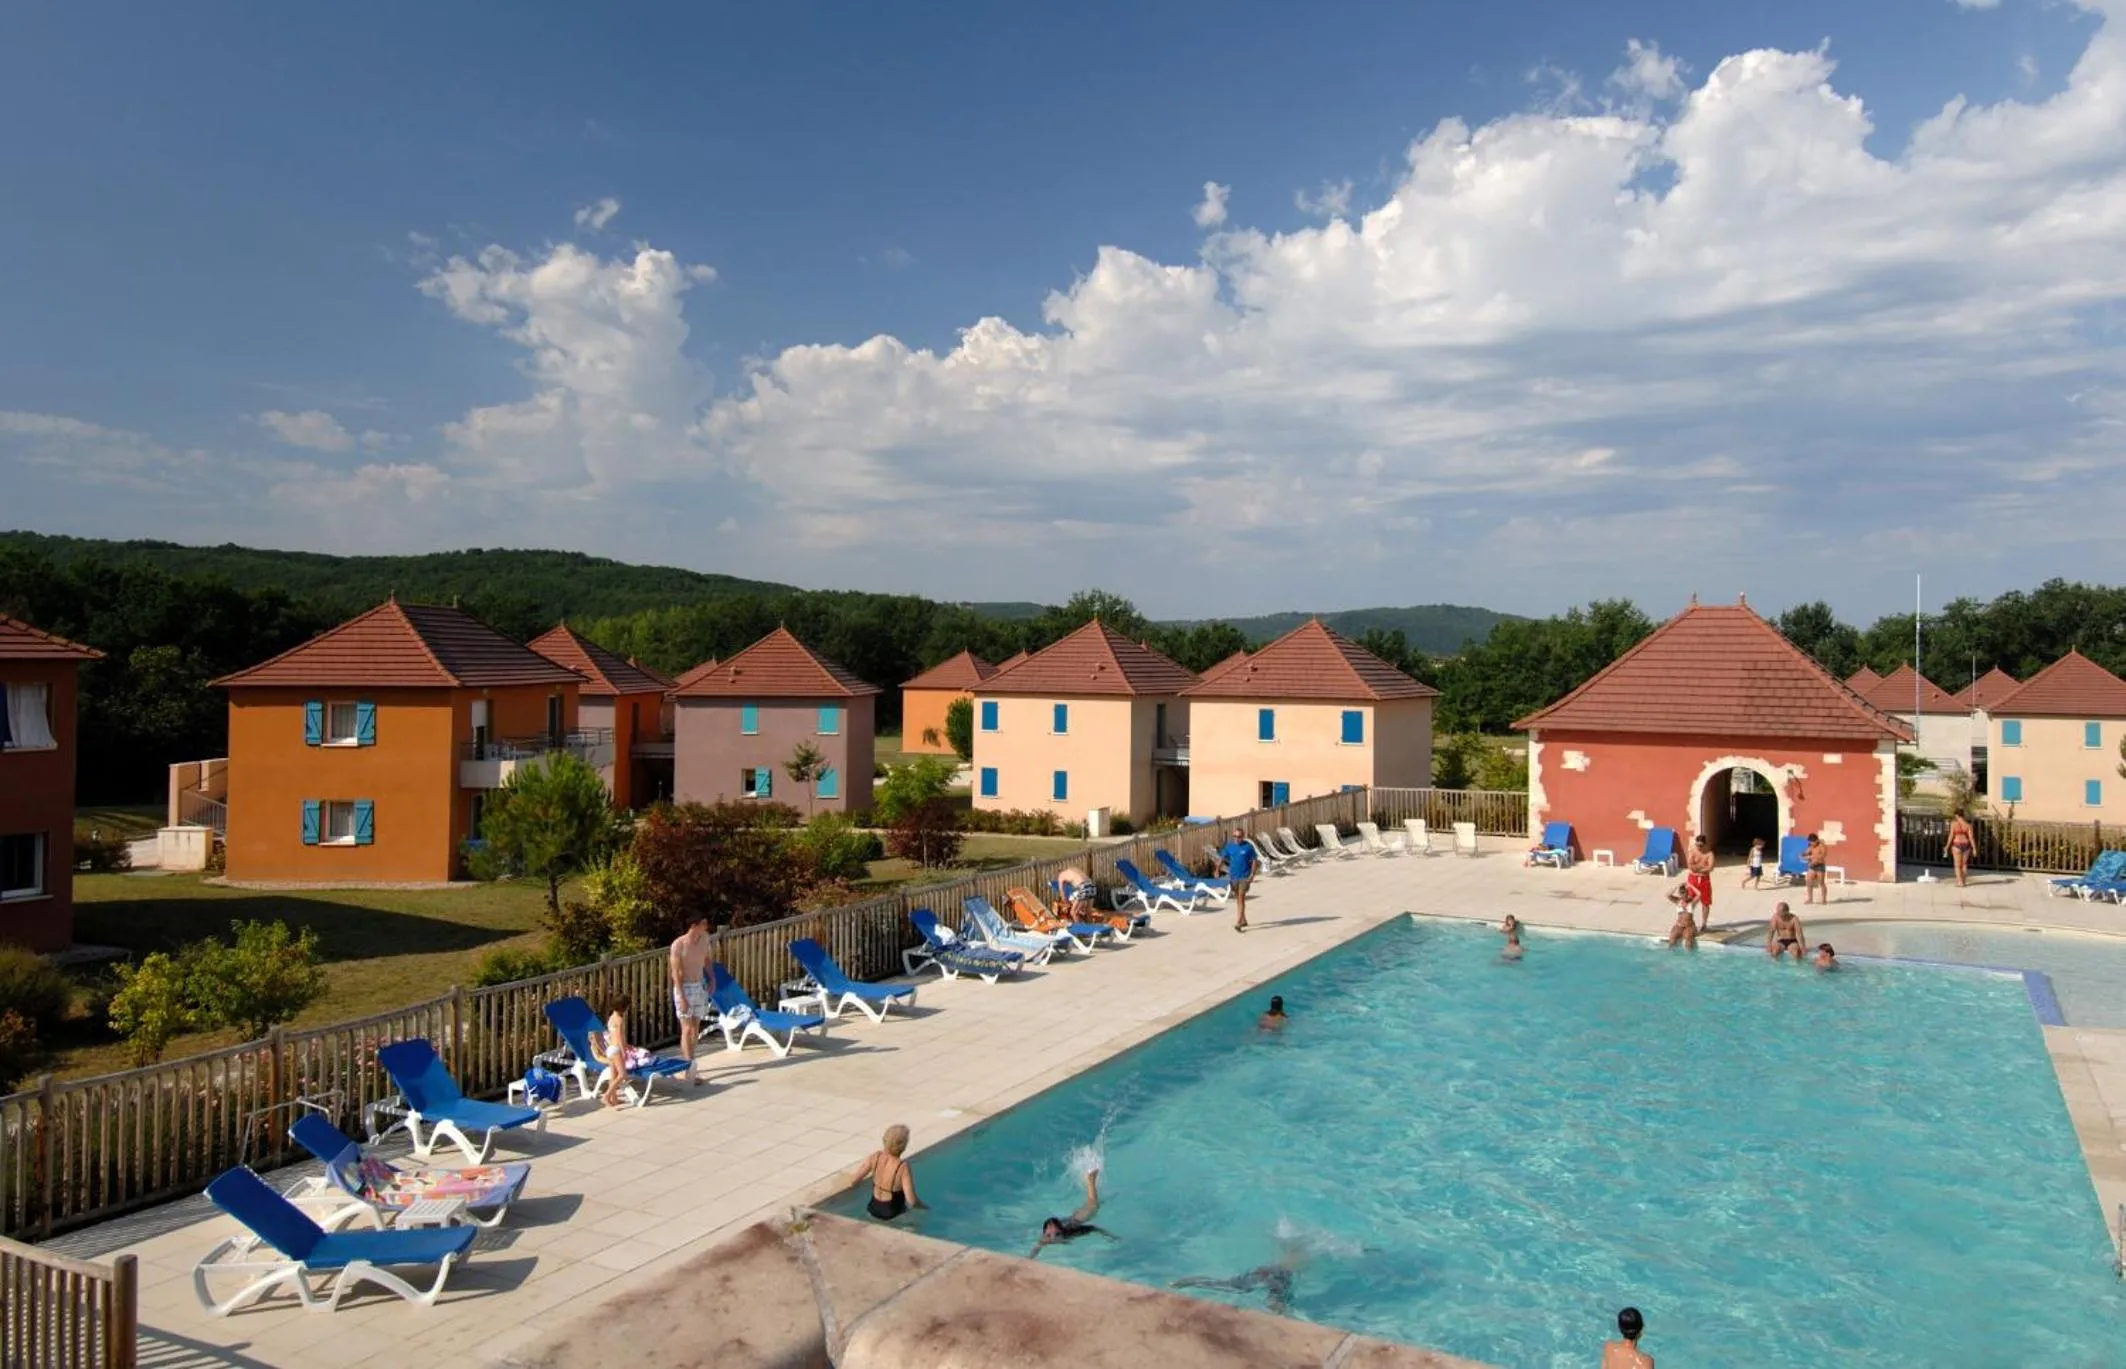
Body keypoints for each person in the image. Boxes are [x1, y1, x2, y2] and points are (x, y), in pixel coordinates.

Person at [1173, 1243, 1303, 1314]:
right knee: (1229, 1286)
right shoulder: (1281, 1282)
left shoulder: (1277, 1276)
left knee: (1226, 1285)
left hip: (1265, 1274)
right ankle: (1189, 1281)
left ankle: (1189, 1281)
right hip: (1270, 1277)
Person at [1030, 1169, 1114, 1257]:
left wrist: (1107, 1235)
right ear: (1044, 1234)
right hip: (1068, 1219)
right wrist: (1030, 1258)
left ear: (1063, 1231)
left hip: (1076, 1220)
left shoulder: (1070, 1231)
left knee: (1093, 1204)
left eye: (1057, 1234)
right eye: (1048, 1235)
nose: (1053, 1239)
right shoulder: (1045, 1239)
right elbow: (1037, 1248)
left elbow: (1092, 1228)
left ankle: (1091, 1180)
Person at [669, 915, 712, 1084]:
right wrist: (682, 996)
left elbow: (706, 959)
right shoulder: (678, 945)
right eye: (704, 923)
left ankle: (691, 1062)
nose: (706, 926)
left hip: (699, 984)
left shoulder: (704, 939)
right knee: (686, 1029)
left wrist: (712, 979)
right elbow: (676, 973)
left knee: (695, 1029)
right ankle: (688, 1068)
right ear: (694, 925)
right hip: (684, 987)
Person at [849, 1124, 922, 1221]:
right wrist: (922, 1207)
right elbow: (911, 1200)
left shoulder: (875, 1157)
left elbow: (854, 1180)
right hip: (892, 1214)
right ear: (903, 1146)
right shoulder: (902, 1167)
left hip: (872, 1209)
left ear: (884, 1140)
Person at [592, 993, 653, 1109]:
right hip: (616, 1050)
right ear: (624, 1007)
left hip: (610, 1049)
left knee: (613, 1075)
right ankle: (607, 1095)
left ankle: (613, 1099)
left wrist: (626, 1046)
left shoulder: (611, 1018)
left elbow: (611, 1036)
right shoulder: (620, 1020)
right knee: (622, 1074)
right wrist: (625, 1050)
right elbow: (620, 1037)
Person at [1218, 827, 1258, 933]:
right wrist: (1217, 869)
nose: (1237, 838)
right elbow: (1222, 858)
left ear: (1243, 837)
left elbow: (1254, 861)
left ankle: (1238, 923)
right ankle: (1243, 919)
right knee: (1238, 899)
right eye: (1235, 836)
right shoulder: (1229, 847)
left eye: (1239, 836)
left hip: (1244, 877)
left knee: (1241, 898)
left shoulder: (1248, 847)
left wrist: (1252, 874)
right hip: (1233, 877)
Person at [1684, 835, 1715, 932]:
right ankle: (1687, 922)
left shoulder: (1709, 854)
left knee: (1705, 903)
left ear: (1705, 845)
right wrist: (1702, 867)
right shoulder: (1693, 851)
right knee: (1689, 901)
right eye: (1697, 845)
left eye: (1701, 846)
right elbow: (1690, 867)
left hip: (1704, 880)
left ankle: (1704, 924)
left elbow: (1710, 868)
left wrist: (1697, 867)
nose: (1699, 847)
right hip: (1693, 878)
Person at [1945, 811, 1975, 888]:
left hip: (1957, 845)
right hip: (1966, 845)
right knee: (1964, 865)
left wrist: (1947, 846)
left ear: (1957, 815)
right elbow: (1971, 838)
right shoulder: (1968, 825)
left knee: (1957, 865)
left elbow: (1951, 836)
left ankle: (1960, 882)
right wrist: (1974, 848)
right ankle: (1964, 881)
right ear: (1963, 815)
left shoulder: (1953, 824)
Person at [1803, 833, 1829, 905]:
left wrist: (1812, 859)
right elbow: (1807, 852)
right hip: (1812, 866)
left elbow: (1822, 856)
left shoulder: (1822, 846)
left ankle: (1824, 900)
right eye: (1810, 842)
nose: (1811, 843)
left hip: (1820, 866)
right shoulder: (1811, 846)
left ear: (1816, 840)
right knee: (1808, 882)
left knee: (1821, 883)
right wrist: (1803, 854)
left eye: (1812, 842)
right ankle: (1810, 899)